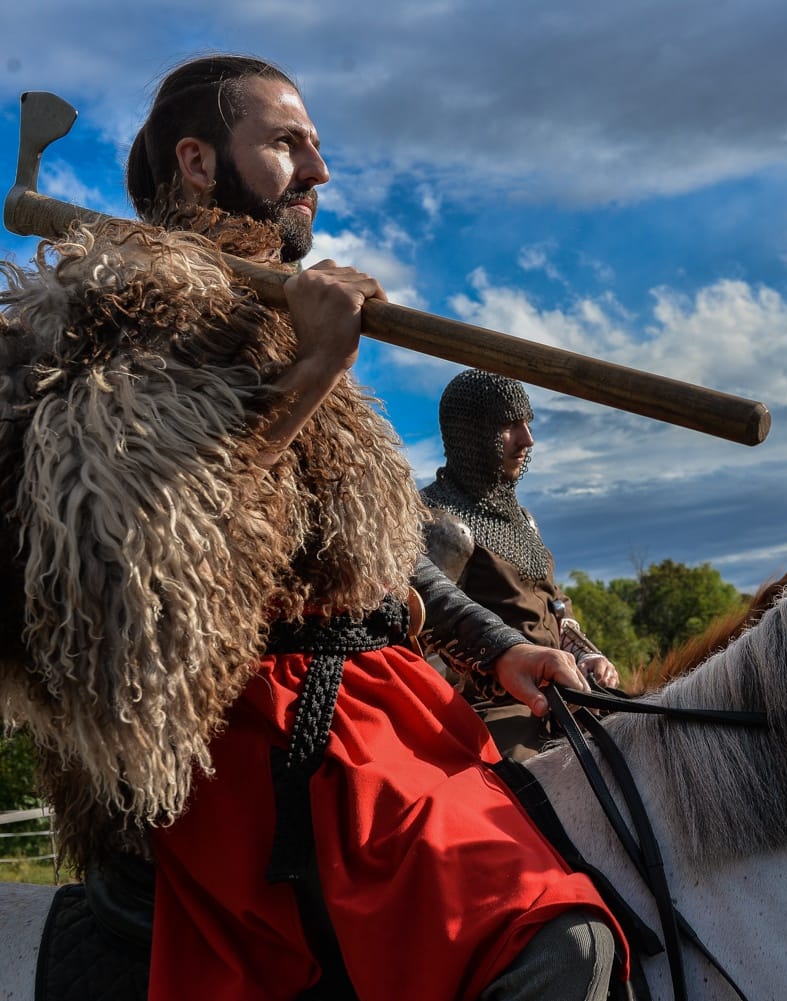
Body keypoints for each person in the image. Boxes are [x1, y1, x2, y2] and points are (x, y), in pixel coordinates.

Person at [0, 55, 624, 1001]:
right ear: (198, 161)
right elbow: (141, 549)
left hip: (386, 703)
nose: (319, 172)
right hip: (259, 733)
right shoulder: (125, 316)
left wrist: (500, 647)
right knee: (558, 944)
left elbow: (377, 553)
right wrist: (317, 366)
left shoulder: (273, 308)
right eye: (288, 143)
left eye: (317, 146)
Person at [422, 369, 619, 759]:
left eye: (527, 423)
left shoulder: (522, 520)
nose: (527, 439)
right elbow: (427, 637)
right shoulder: (436, 521)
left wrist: (586, 655)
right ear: (471, 432)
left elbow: (554, 605)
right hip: (491, 708)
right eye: (509, 425)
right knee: (520, 789)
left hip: (564, 691)